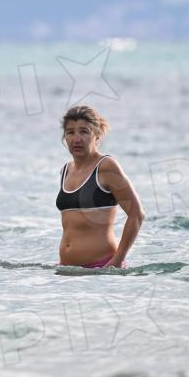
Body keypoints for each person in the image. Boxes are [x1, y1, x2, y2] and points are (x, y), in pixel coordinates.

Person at [56, 105, 145, 268]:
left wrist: (116, 262)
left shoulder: (106, 166)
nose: (76, 139)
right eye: (70, 132)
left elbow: (136, 215)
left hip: (101, 270)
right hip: (67, 270)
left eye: (84, 131)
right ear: (65, 136)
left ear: (97, 134)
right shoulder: (65, 170)